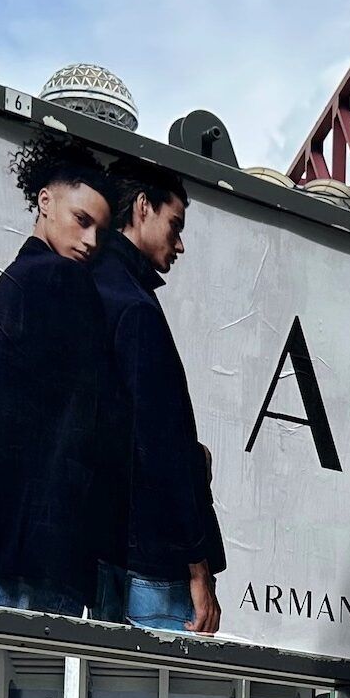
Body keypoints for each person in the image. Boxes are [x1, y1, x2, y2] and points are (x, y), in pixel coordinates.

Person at [0, 141, 118, 616]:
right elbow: (93, 417)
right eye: (82, 220)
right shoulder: (64, 280)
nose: (90, 242)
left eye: (100, 232)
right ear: (45, 201)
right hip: (48, 549)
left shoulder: (12, 279)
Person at [89, 160, 226, 635]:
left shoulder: (89, 286)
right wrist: (198, 567)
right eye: (175, 224)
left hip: (101, 551)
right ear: (143, 207)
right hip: (154, 558)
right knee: (163, 682)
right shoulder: (134, 307)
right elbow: (162, 445)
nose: (180, 244)